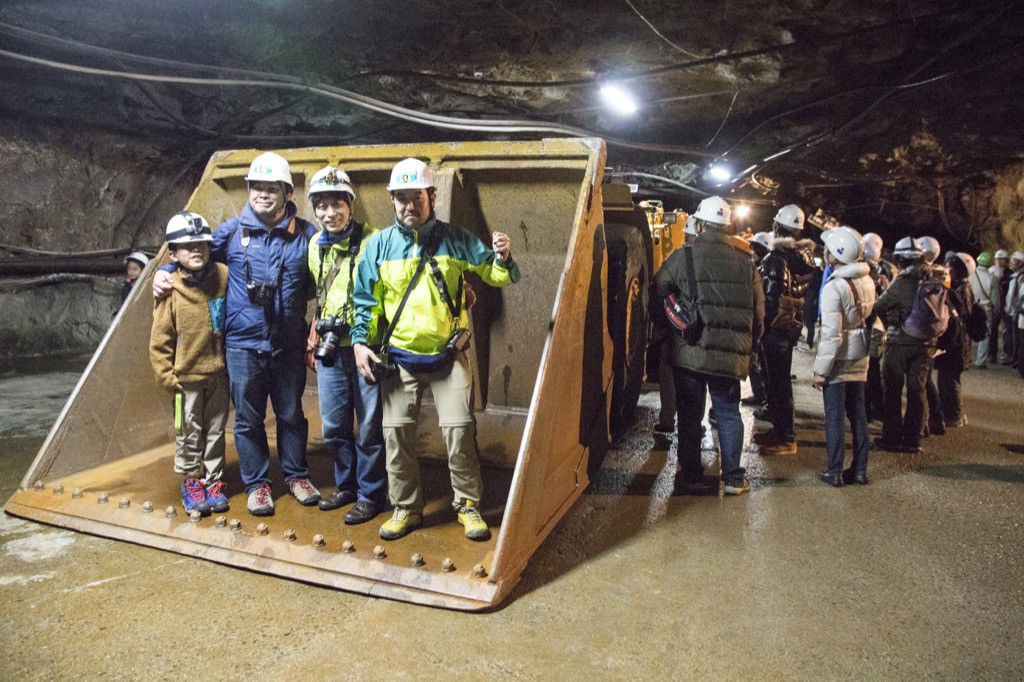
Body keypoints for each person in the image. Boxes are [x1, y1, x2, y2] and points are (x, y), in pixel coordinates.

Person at [351, 158, 520, 542]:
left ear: (431, 196)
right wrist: (360, 344)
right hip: (400, 360)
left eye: (417, 198)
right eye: (402, 199)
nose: (410, 206)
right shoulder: (378, 246)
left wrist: (503, 257)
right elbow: (366, 301)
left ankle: (468, 506)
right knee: (396, 437)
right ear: (392, 200)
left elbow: (494, 274)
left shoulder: (456, 239)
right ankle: (406, 509)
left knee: (459, 432)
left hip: (449, 356)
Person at [153, 152, 320, 516]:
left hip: (288, 344)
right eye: (256, 187)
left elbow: (325, 280)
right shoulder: (230, 232)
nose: (262, 194)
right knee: (247, 419)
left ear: (287, 192)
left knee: (291, 414)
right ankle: (258, 484)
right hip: (243, 346)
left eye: (271, 188)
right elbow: (191, 253)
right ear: (249, 191)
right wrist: (163, 270)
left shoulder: (307, 235)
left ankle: (296, 475)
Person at [651, 195, 765, 495]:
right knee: (728, 413)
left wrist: (665, 326)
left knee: (689, 415)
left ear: (700, 224)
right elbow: (760, 312)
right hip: (730, 356)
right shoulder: (746, 264)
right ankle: (732, 479)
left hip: (690, 349)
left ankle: (690, 475)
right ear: (727, 228)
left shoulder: (682, 257)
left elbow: (657, 289)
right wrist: (749, 345)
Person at [305, 166, 388, 525]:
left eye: (336, 204)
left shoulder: (375, 241)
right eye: (321, 206)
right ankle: (347, 485)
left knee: (369, 426)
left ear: (350, 205)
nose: (329, 213)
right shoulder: (314, 245)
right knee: (335, 425)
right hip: (330, 347)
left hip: (365, 347)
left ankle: (372, 494)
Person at [148, 212, 230, 515]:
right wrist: (167, 377)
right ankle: (191, 481)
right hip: (185, 381)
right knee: (187, 431)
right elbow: (160, 338)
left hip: (218, 375)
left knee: (216, 430)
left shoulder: (222, 275)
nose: (196, 251)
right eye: (186, 246)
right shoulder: (170, 287)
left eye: (201, 245)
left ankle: (214, 482)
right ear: (173, 254)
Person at [812, 227, 876, 487]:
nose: (824, 253)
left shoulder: (834, 287)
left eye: (827, 249)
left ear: (836, 254)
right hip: (860, 355)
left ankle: (834, 470)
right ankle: (860, 470)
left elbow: (832, 335)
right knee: (858, 414)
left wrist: (821, 370)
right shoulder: (867, 280)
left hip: (839, 360)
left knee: (835, 415)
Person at [754, 203, 815, 456]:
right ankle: (779, 431)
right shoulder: (805, 258)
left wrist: (760, 327)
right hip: (790, 326)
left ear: (778, 227)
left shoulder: (777, 258)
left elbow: (771, 297)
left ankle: (786, 437)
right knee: (779, 383)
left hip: (775, 329)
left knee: (778, 385)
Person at [872, 237, 941, 454]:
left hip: (900, 340)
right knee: (917, 390)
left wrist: (893, 319)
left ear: (901, 259)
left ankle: (892, 437)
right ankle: (913, 439)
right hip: (927, 343)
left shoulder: (903, 281)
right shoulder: (934, 278)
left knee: (892, 390)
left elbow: (878, 306)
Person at [936, 252, 975, 426]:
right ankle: (950, 413)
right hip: (955, 340)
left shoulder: (962, 289)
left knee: (951, 380)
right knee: (946, 379)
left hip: (957, 342)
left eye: (950, 265)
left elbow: (964, 314)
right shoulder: (957, 286)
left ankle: (955, 416)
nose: (946, 268)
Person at [862, 232, 889, 422]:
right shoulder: (882, 273)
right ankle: (878, 408)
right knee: (874, 369)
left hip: (870, 326)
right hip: (880, 326)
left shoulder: (866, 274)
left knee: (868, 370)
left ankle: (869, 410)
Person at [969, 251, 996, 368]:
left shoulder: (970, 274)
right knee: (985, 333)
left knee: (967, 332)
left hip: (971, 306)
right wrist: (997, 310)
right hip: (985, 308)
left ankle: (966, 357)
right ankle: (980, 361)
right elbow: (995, 298)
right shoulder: (992, 277)